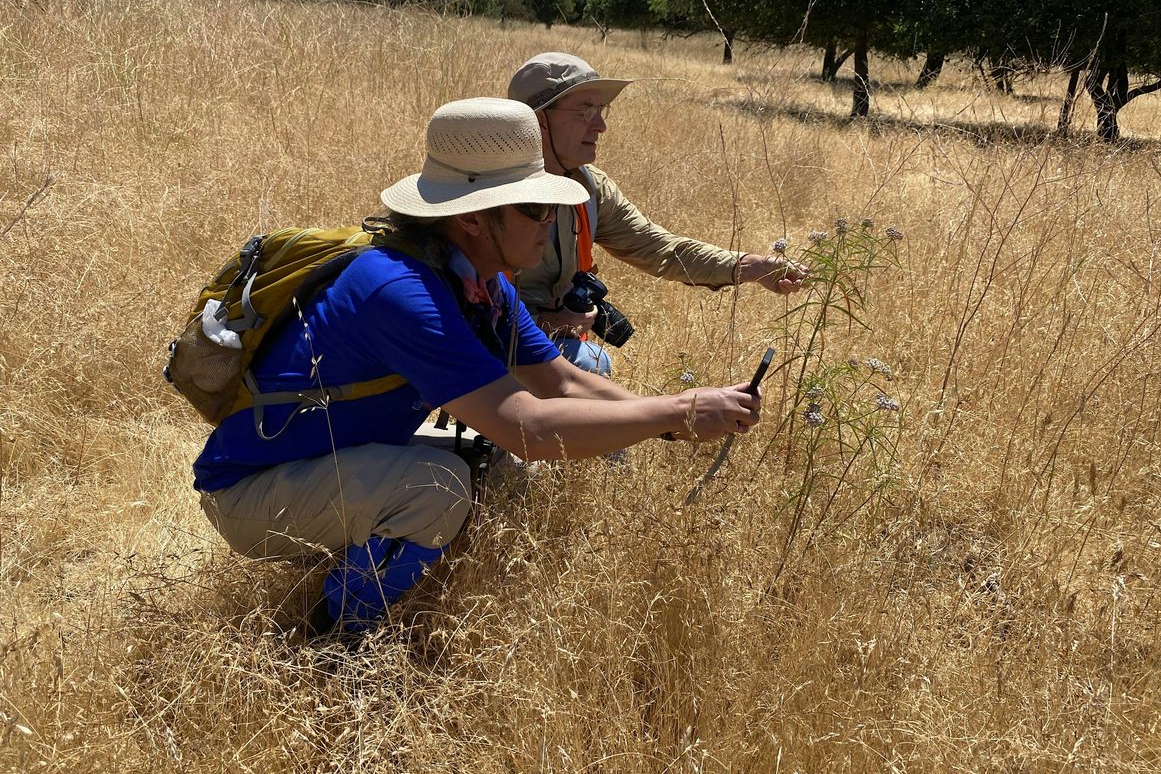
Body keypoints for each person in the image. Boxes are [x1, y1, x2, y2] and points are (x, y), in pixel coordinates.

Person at [194, 97, 763, 636]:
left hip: (333, 458)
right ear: (471, 218)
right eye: (537, 207)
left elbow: (559, 381)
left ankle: (390, 562)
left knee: (500, 462)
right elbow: (532, 428)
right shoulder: (400, 290)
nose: (552, 221)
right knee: (439, 485)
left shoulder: (478, 281)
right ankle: (339, 640)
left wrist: (675, 417)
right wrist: (677, 411)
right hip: (252, 493)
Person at [507, 52, 808, 374]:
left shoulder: (590, 188)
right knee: (589, 365)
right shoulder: (485, 191)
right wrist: (537, 322)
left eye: (601, 110)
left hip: (543, 340)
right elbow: (455, 296)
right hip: (484, 337)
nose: (601, 126)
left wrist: (750, 267)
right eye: (585, 111)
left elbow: (660, 248)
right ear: (539, 120)